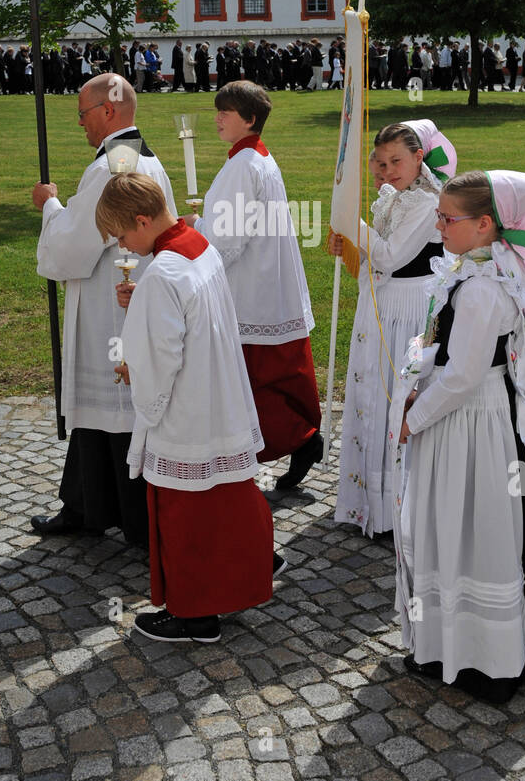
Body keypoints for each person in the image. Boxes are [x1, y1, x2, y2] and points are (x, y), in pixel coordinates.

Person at [395, 170, 525, 703]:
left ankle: (484, 660)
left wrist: (414, 418)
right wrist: (416, 378)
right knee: (471, 525)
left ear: (485, 224)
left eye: (447, 218)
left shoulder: (485, 289)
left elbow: (462, 376)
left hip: (472, 421)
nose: (438, 226)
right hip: (473, 412)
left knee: (474, 529)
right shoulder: (481, 270)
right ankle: (459, 646)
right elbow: (441, 346)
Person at [95, 173, 276, 642]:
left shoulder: (161, 273)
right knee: (226, 503)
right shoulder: (197, 244)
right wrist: (143, 306)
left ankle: (194, 616)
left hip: (187, 413)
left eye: (122, 235)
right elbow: (194, 315)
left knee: (186, 515)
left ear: (141, 219)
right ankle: (232, 590)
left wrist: (134, 369)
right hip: (221, 397)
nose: (124, 246)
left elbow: (161, 355)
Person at [30, 73, 176, 544]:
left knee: (112, 409)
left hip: (109, 306)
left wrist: (50, 206)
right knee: (102, 413)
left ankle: (130, 520)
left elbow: (73, 248)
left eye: (83, 114)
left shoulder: (111, 166)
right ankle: (84, 504)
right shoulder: (146, 158)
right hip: (128, 298)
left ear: (108, 111)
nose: (80, 124)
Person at [191, 80, 322, 489]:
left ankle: (294, 441)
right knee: (273, 378)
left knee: (257, 382)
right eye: (217, 110)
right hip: (267, 282)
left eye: (225, 112)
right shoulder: (256, 158)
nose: (217, 118)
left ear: (249, 119)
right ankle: (296, 441)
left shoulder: (244, 165)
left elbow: (226, 240)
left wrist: (193, 231)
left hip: (253, 291)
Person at [329, 120, 455, 539]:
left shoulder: (425, 201)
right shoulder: (390, 197)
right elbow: (370, 257)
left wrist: (352, 224)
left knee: (392, 394)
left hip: (407, 307)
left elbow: (389, 255)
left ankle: (394, 505)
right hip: (381, 301)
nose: (388, 170)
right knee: (370, 390)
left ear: (419, 158)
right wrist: (348, 243)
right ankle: (366, 499)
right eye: (381, 163)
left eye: (397, 160)